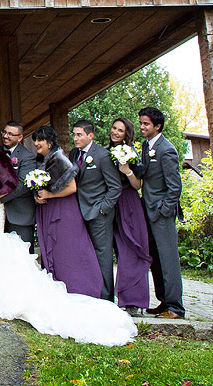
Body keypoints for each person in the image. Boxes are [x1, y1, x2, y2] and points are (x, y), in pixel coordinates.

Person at [0, 125, 137, 346]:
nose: (0, 143)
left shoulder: (39, 158)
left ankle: (97, 293)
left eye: (39, 141)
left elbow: (18, 183)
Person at [32, 125, 103, 299]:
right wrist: (37, 195)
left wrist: (49, 194)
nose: (36, 143)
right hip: (49, 207)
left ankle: (79, 286)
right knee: (53, 248)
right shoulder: (42, 160)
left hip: (64, 210)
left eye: (40, 139)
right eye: (34, 139)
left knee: (67, 248)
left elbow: (72, 187)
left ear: (50, 142)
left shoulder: (59, 158)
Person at [138, 106, 185, 319]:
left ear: (157, 126)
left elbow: (175, 186)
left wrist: (164, 210)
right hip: (148, 210)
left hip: (161, 213)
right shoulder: (147, 146)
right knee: (155, 259)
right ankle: (164, 301)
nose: (142, 127)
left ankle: (176, 307)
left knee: (168, 259)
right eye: (141, 123)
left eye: (146, 124)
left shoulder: (167, 149)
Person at [71, 119, 122, 300]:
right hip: (79, 212)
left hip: (99, 213)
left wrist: (102, 209)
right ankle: (89, 292)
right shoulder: (74, 154)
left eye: (79, 135)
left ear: (90, 135)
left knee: (102, 255)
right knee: (84, 254)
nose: (75, 138)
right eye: (74, 134)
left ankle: (106, 297)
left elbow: (115, 187)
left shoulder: (102, 155)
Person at [109, 116, 152, 316]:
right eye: (114, 128)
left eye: (120, 130)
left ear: (127, 134)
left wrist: (126, 171)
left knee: (132, 249)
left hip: (128, 202)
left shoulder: (131, 153)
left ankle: (133, 300)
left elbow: (137, 185)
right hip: (110, 203)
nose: (115, 132)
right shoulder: (104, 152)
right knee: (115, 250)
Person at [0, 120, 37, 250]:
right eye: (4, 132)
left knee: (23, 256)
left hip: (20, 214)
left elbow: (22, 185)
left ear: (20, 137)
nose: (5, 136)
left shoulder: (27, 156)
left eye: (10, 134)